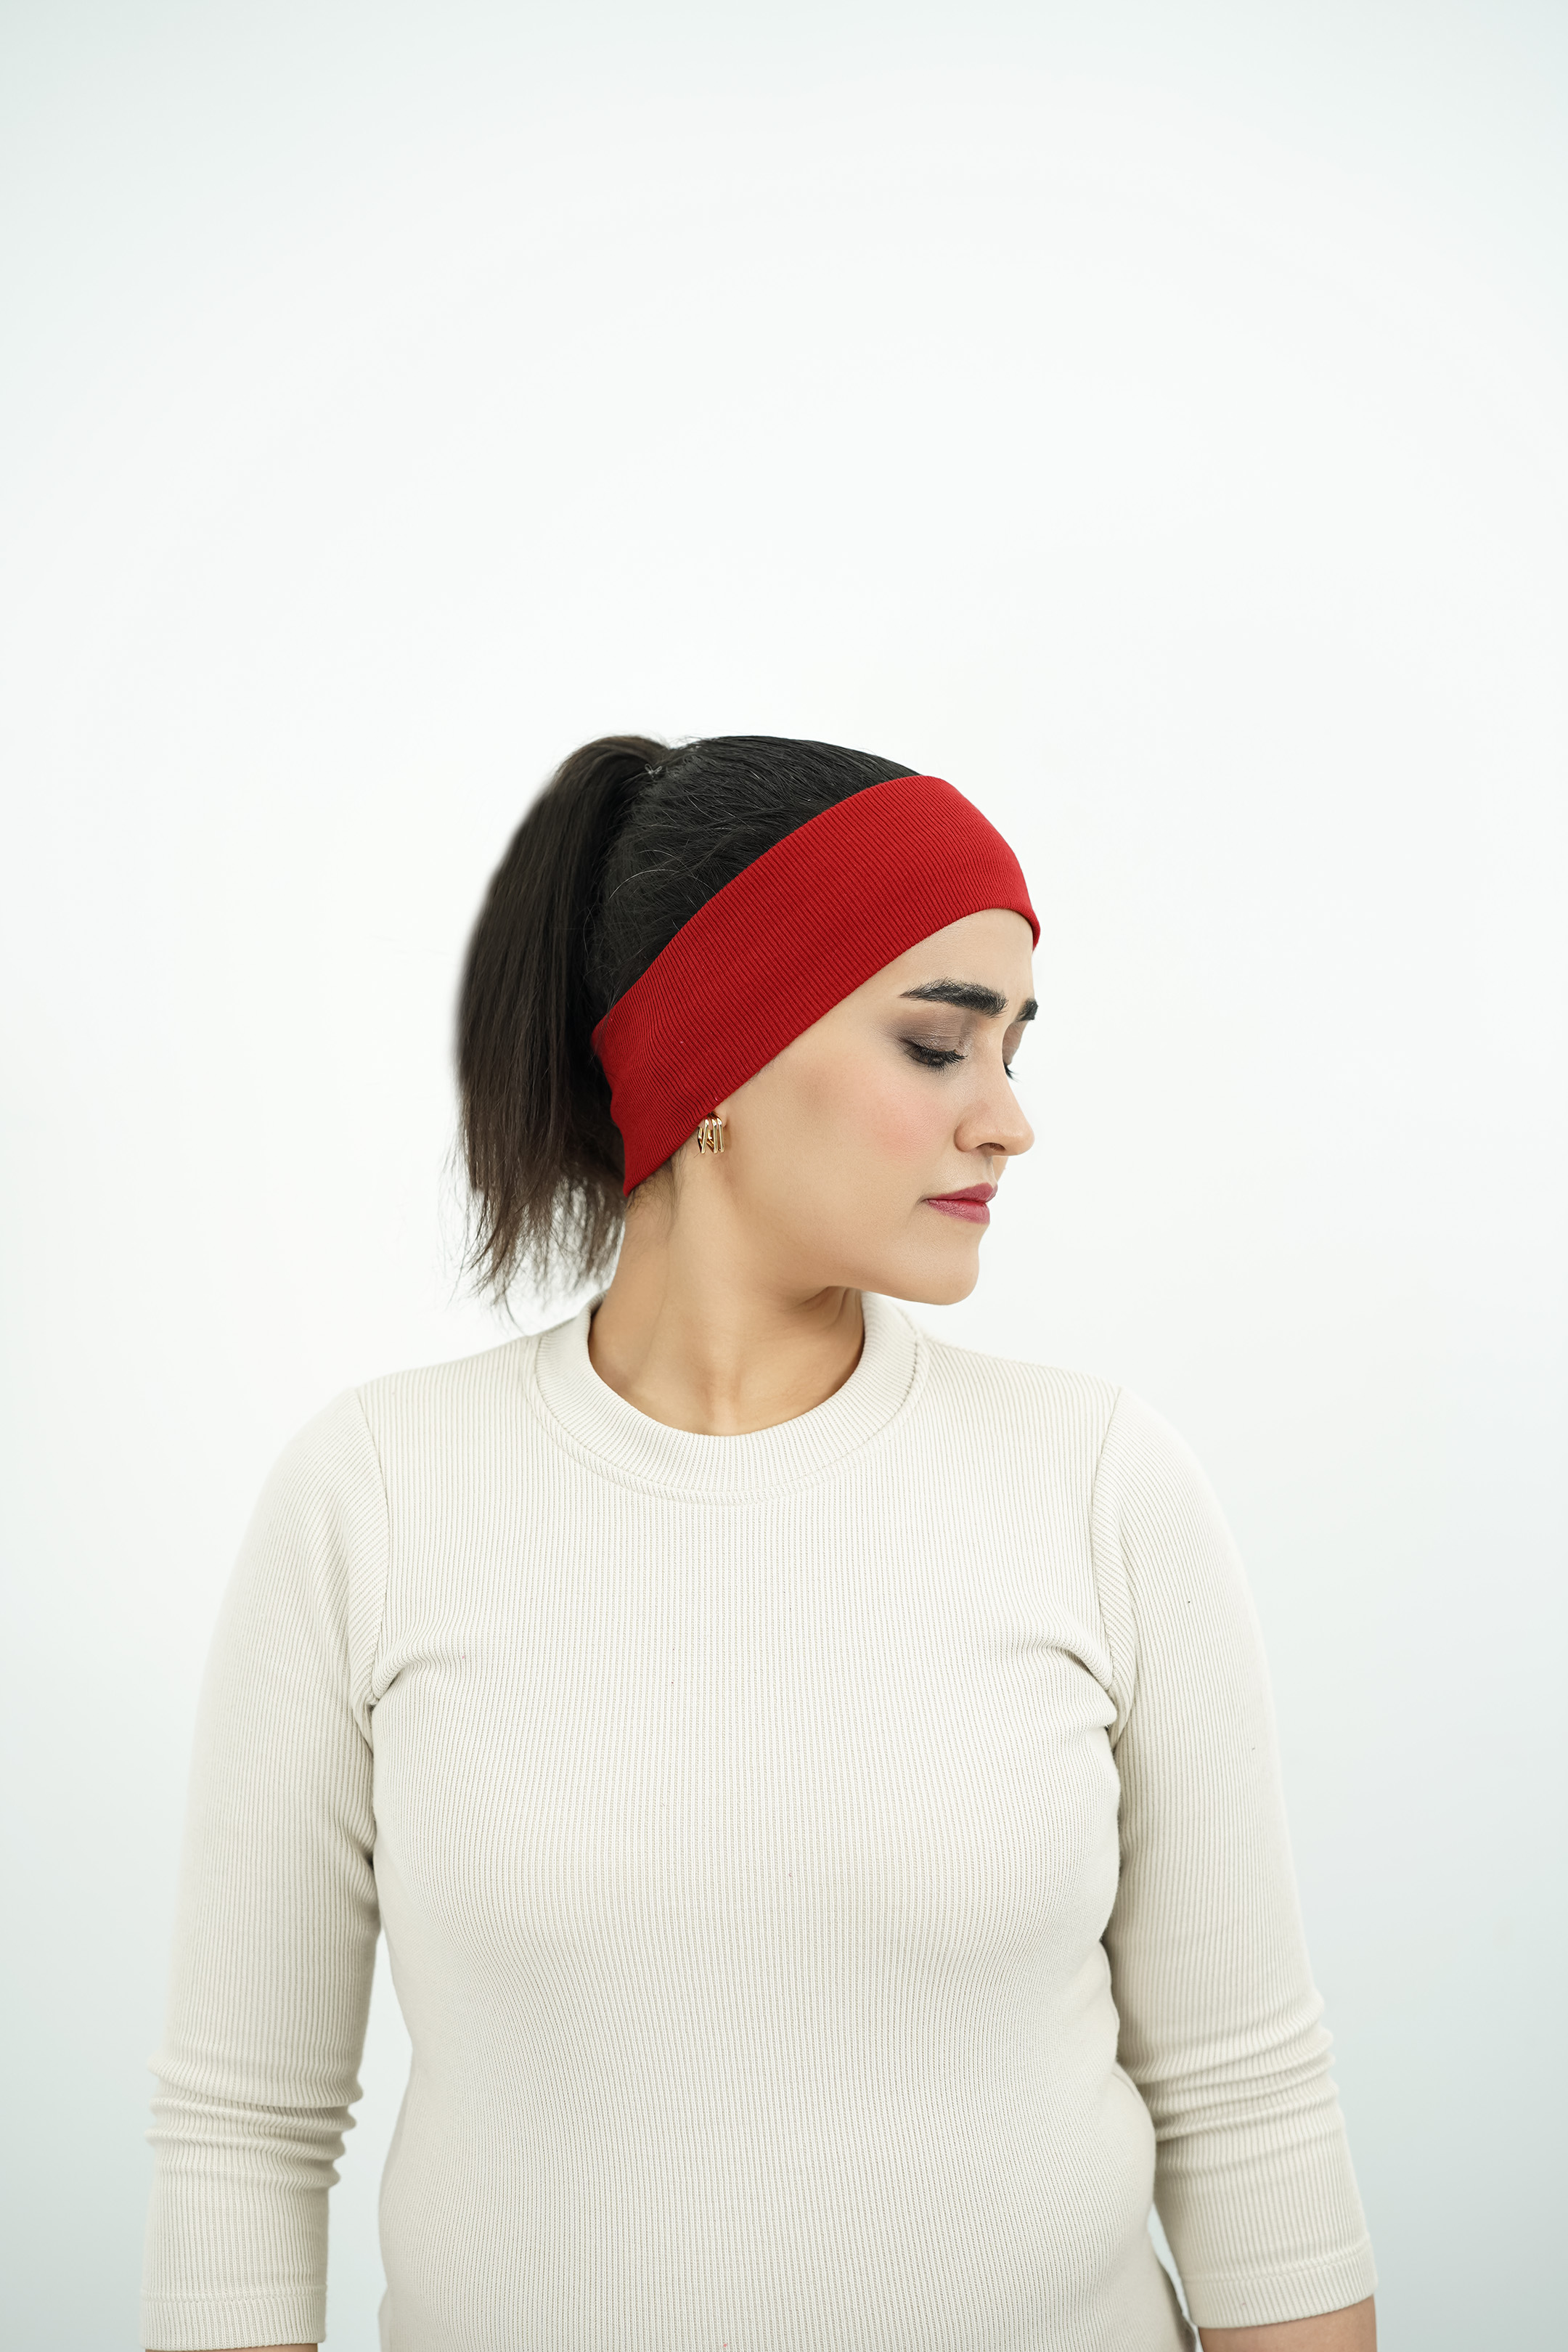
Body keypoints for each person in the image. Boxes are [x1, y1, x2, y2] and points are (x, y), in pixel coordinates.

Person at [141, 735, 1378, 2352]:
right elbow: (245, 2131)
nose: (1009, 1121)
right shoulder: (372, 1497)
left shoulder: (1099, 1485)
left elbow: (1243, 2103)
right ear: (712, 1051)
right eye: (939, 1043)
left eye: (1014, 1050)